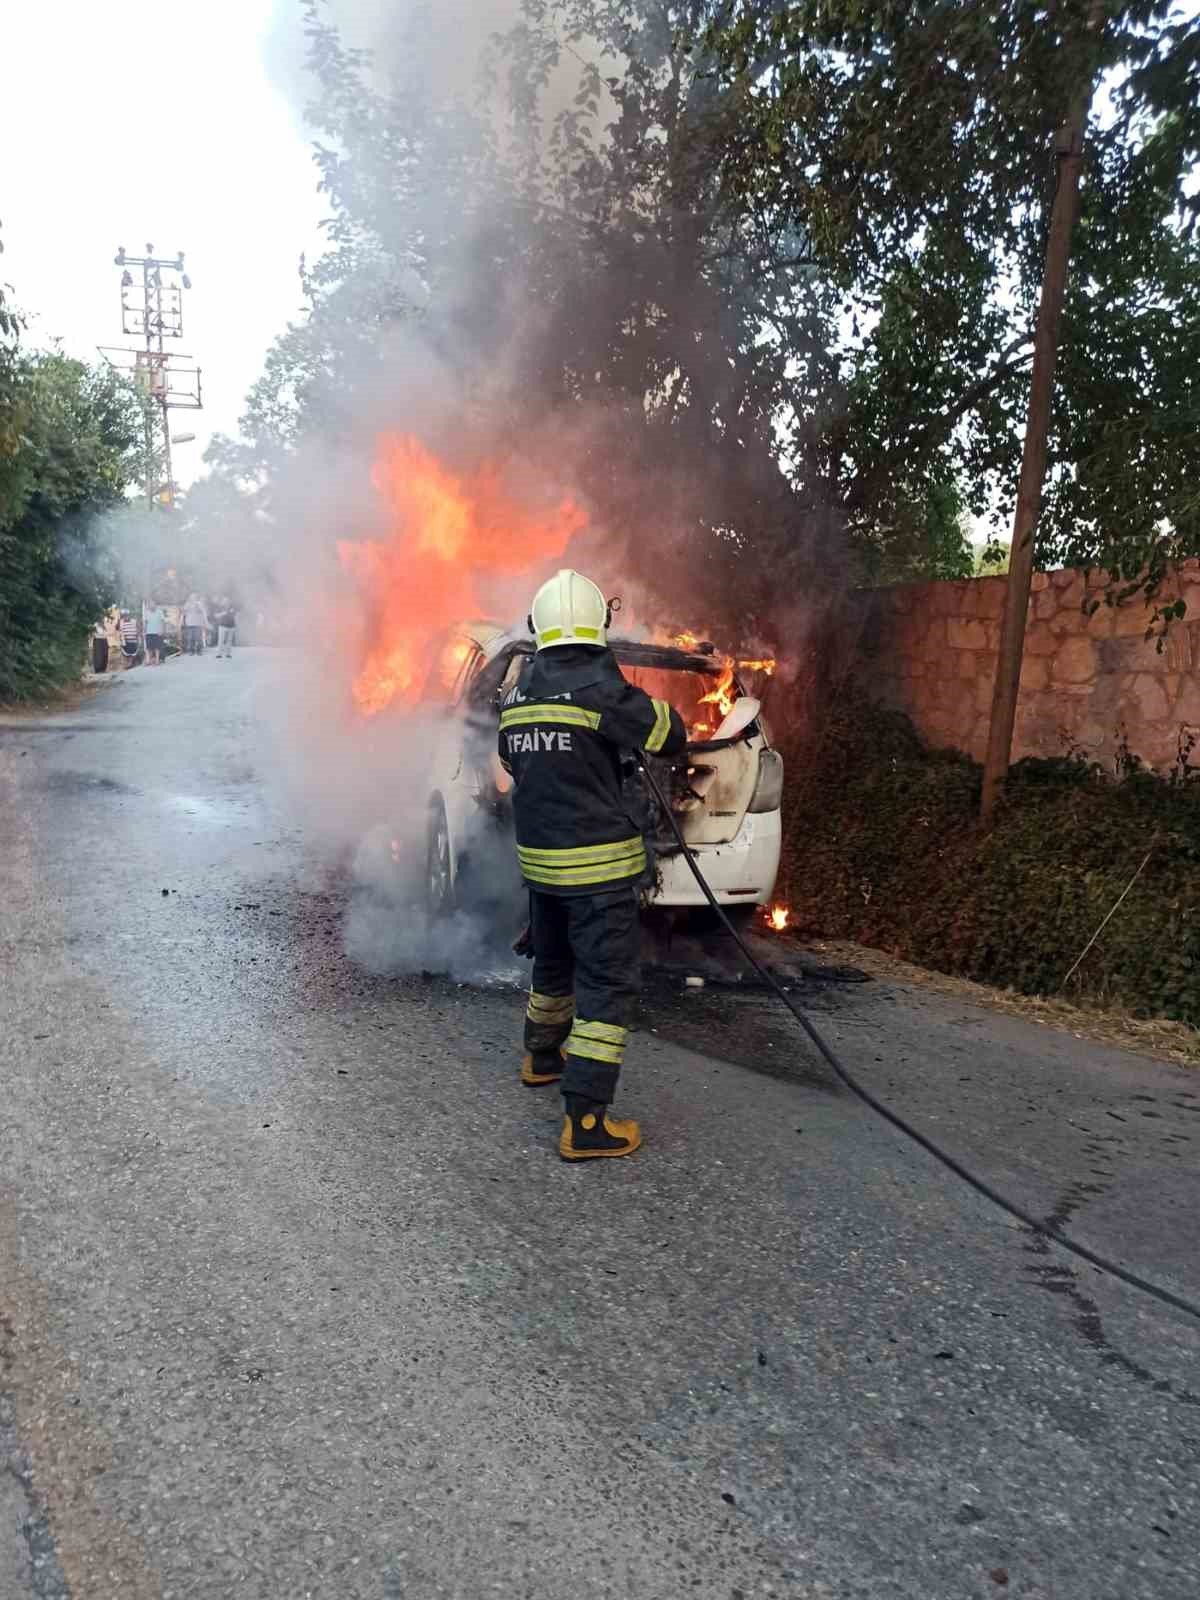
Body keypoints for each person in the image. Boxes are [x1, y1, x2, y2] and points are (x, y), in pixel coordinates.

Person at [499, 568, 686, 1161]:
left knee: (553, 966)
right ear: (599, 624)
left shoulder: (519, 695)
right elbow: (671, 735)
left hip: (542, 869)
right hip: (599, 873)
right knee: (605, 988)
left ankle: (541, 1056)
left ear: (540, 627)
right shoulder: (604, 693)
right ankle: (585, 1122)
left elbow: (512, 760)